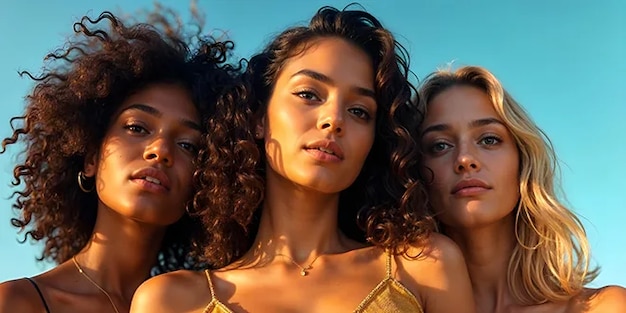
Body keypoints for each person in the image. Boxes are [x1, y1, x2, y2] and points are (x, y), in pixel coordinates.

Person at [130, 5, 475, 313]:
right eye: (309, 94)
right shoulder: (169, 301)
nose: (334, 119)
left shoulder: (424, 267)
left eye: (359, 111)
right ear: (258, 118)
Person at [0, 9, 238, 313]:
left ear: (206, 182)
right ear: (90, 158)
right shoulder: (18, 303)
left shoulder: (203, 306)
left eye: (188, 145)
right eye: (137, 128)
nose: (160, 150)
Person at [417, 65, 626, 312]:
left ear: (523, 161)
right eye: (440, 145)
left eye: (489, 139)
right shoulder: (394, 304)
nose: (464, 159)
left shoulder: (604, 307)